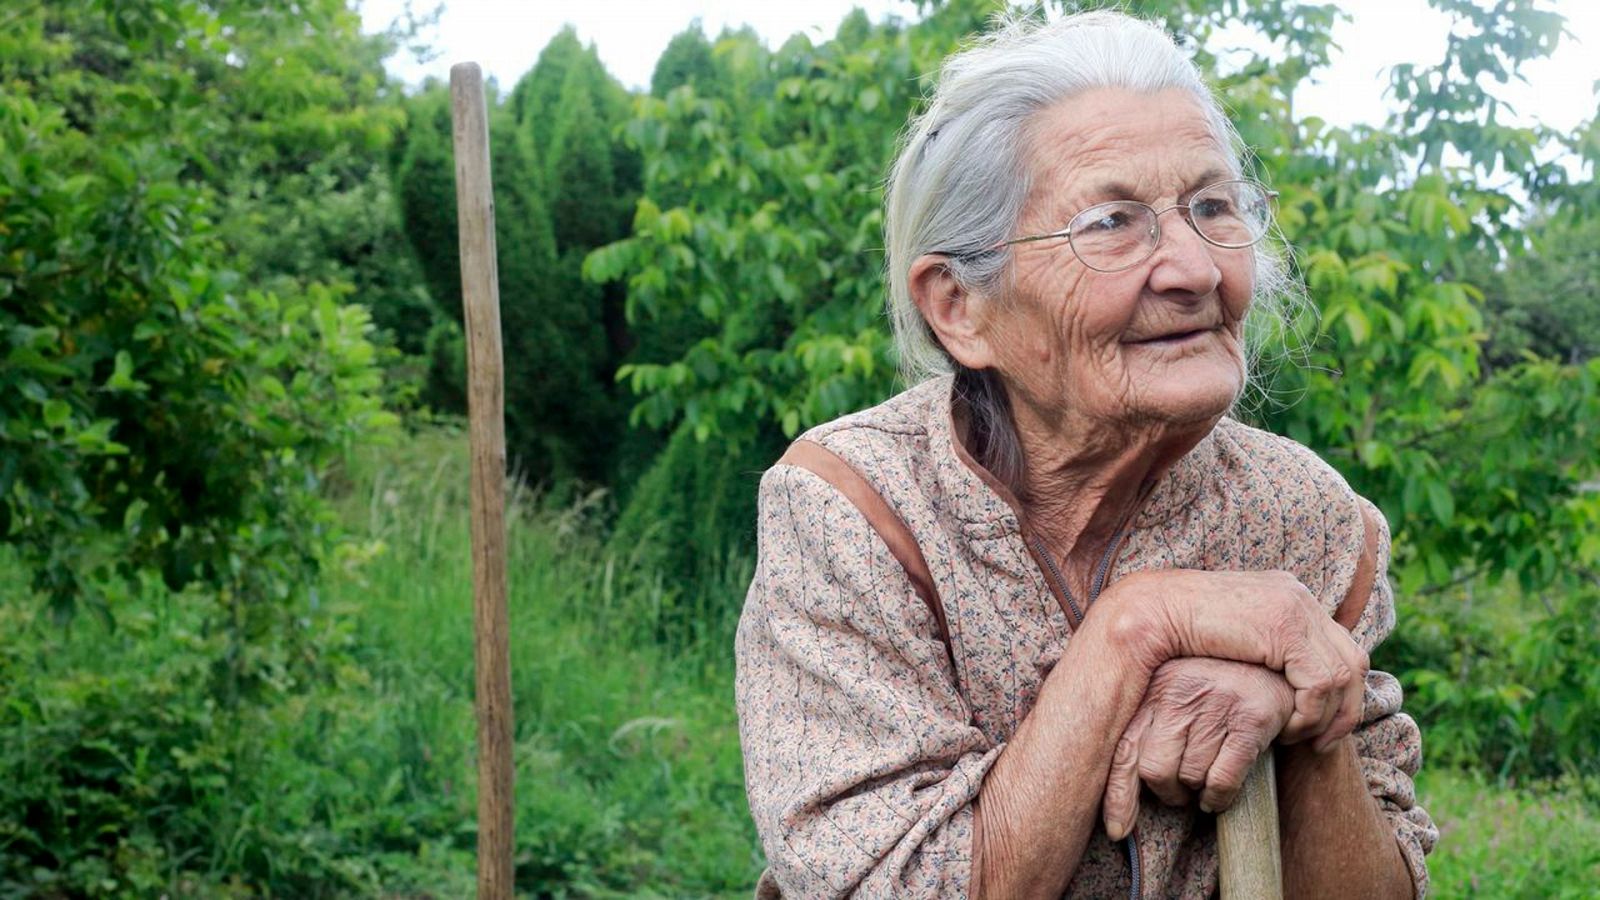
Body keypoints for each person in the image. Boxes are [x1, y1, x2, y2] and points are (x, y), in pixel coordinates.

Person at [733, 10, 1438, 899]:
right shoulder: (856, 509)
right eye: (1112, 222)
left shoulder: (1309, 518)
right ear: (960, 306)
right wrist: (1136, 629)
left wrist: (1302, 728)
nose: (1193, 267)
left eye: (1213, 207)